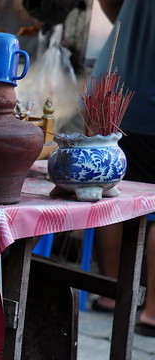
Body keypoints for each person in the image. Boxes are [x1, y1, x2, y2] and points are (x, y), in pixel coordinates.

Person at [90, 0, 155, 336]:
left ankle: (110, 292)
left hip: (111, 85)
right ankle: (153, 311)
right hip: (148, 100)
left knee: (109, 188)